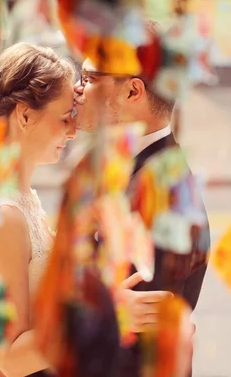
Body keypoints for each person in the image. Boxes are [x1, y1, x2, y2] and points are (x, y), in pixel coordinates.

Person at [73, 20, 211, 376]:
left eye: (89, 78)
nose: (77, 89)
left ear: (133, 91)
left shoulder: (158, 193)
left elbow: (133, 336)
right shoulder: (133, 169)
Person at [0, 42, 78, 376]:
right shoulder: (6, 214)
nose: (72, 131)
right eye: (66, 117)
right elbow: (9, 357)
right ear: (25, 115)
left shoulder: (19, 198)